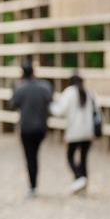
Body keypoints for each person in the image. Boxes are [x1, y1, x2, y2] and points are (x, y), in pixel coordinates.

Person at [9, 62, 52, 196]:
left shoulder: (20, 88)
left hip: (26, 128)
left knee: (30, 156)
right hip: (40, 127)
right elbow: (50, 101)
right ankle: (34, 183)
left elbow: (13, 104)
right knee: (35, 154)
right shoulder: (43, 87)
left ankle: (32, 185)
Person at [51, 72, 99, 193]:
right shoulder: (90, 93)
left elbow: (60, 111)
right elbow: (97, 111)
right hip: (88, 132)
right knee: (83, 158)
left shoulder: (69, 93)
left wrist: (50, 105)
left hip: (74, 132)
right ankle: (83, 182)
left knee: (70, 156)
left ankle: (79, 178)